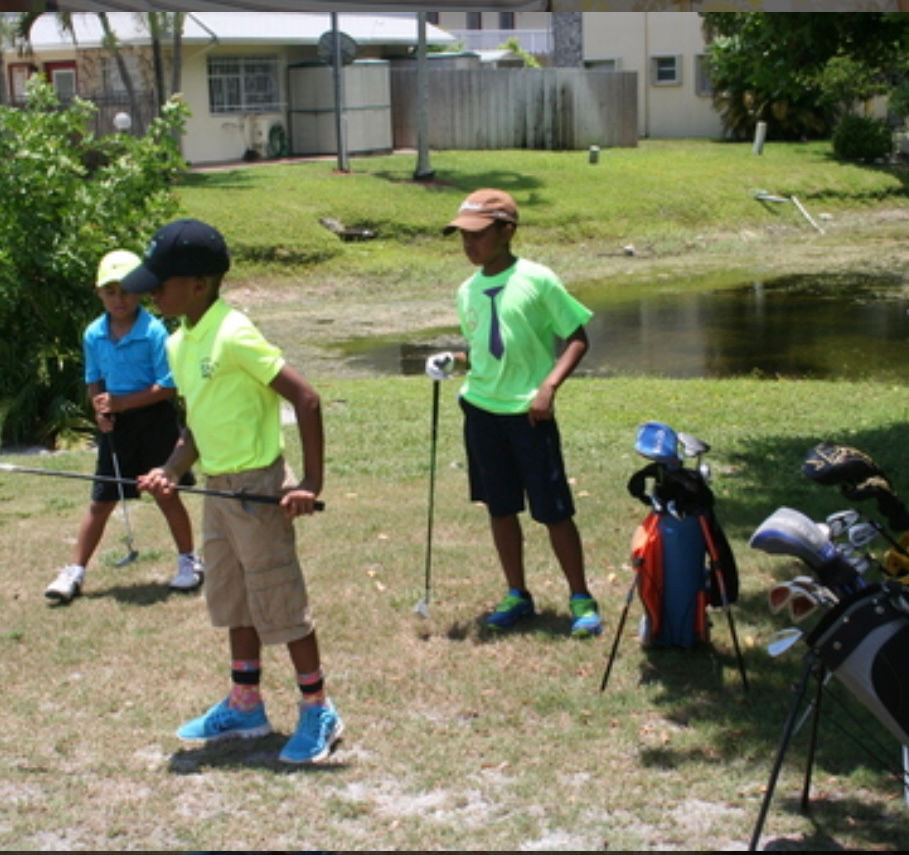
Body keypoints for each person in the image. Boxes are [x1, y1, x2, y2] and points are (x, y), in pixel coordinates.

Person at [124, 218, 342, 765]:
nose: (150, 291)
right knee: (233, 598)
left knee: (280, 600)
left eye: (161, 281)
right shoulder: (177, 343)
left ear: (198, 284)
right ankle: (246, 704)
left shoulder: (234, 332)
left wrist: (310, 483)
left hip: (257, 486)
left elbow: (307, 399)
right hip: (219, 490)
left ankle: (319, 709)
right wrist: (173, 469)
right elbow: (196, 425)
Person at [426, 188, 602, 638]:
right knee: (500, 508)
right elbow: (484, 352)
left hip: (529, 414)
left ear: (507, 231)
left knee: (553, 510)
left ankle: (581, 596)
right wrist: (456, 361)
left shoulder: (538, 279)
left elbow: (576, 338)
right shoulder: (466, 291)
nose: (468, 245)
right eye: (462, 237)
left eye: (478, 235)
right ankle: (517, 594)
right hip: (481, 411)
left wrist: (549, 386)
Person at [44, 249, 203, 604]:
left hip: (155, 421)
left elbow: (168, 386)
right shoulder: (93, 333)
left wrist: (122, 403)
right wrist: (100, 411)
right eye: (111, 291)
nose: (120, 299)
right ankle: (75, 571)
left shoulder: (154, 331)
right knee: (101, 501)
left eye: (127, 291)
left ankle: (188, 561)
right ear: (99, 292)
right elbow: (94, 378)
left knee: (165, 493)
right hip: (117, 426)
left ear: (143, 292)